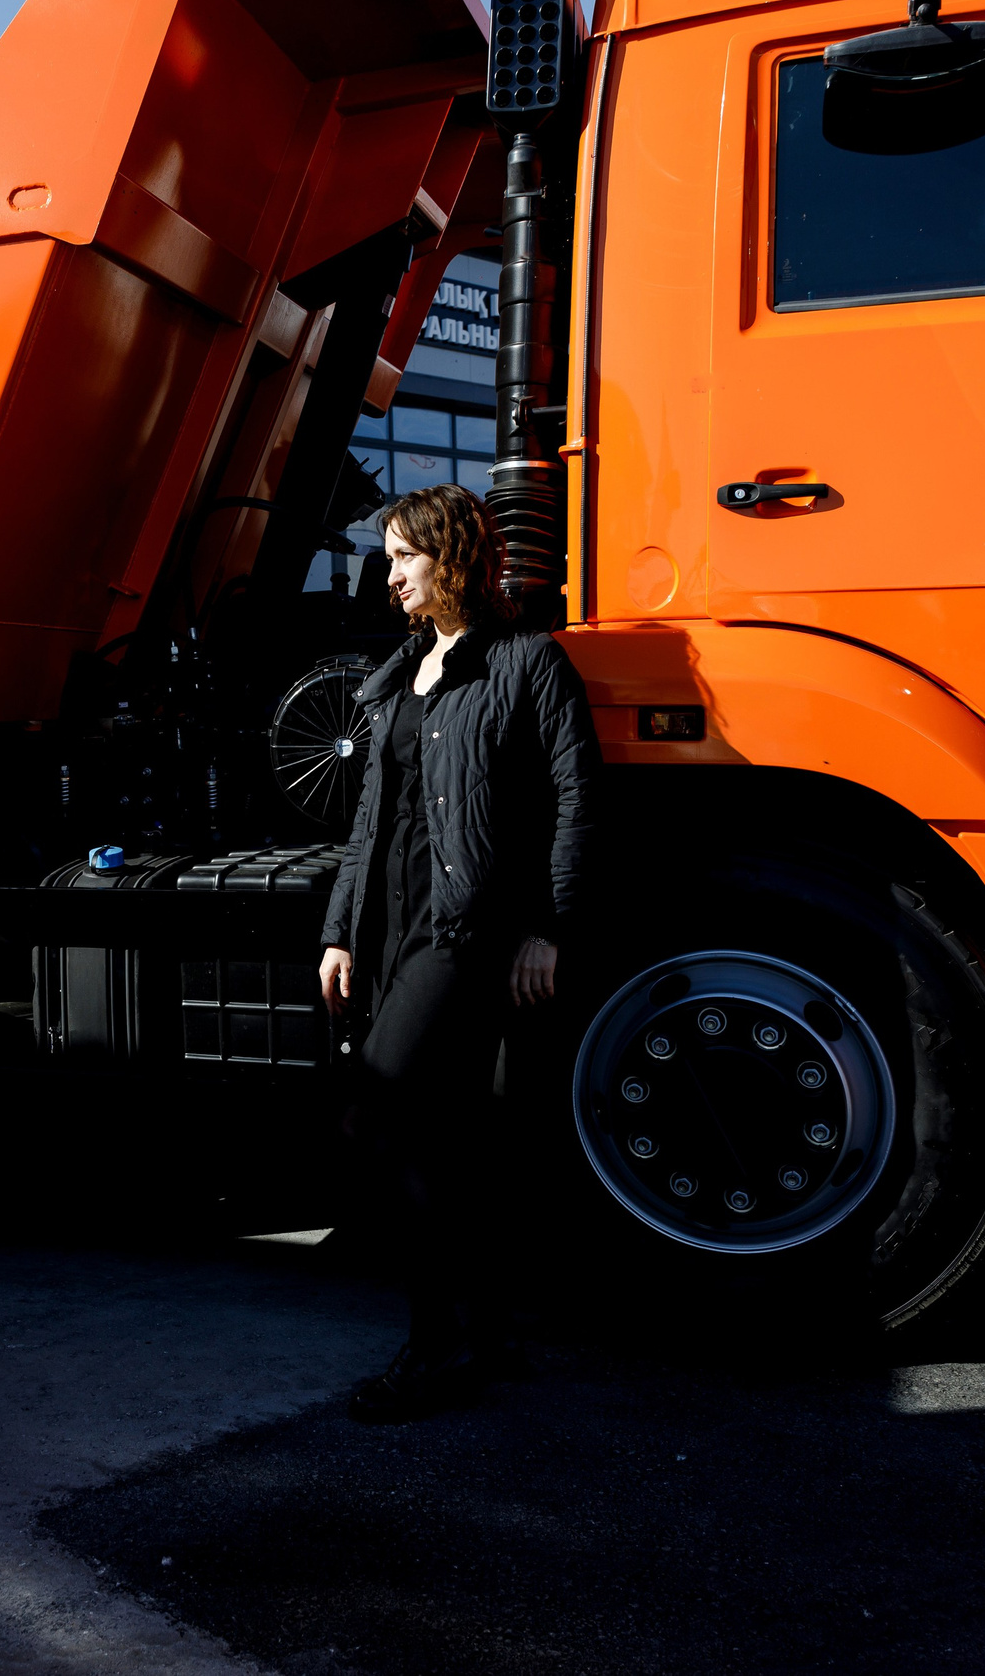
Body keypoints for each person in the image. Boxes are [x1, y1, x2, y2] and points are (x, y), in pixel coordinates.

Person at [318, 482, 598, 1424]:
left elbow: (574, 801)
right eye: (389, 557)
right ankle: (485, 1329)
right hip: (392, 927)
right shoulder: (399, 671)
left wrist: (549, 926)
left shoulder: (526, 664)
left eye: (406, 555)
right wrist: (338, 929)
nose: (390, 573)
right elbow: (372, 817)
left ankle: (436, 1345)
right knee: (448, 1135)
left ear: (456, 556)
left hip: (463, 929)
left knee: (377, 1117)